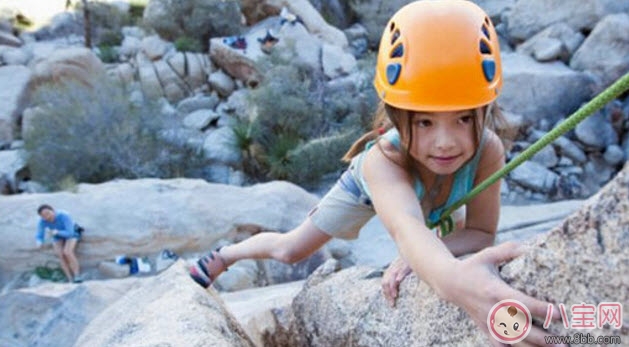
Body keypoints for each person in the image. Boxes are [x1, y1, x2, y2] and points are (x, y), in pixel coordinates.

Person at [190, 1, 561, 345]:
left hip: (435, 189)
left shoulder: (487, 149)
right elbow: (407, 227)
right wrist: (451, 278)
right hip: (365, 189)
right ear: (397, 116)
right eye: (425, 121)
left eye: (464, 118)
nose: (446, 142)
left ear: (484, 109)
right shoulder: (382, 159)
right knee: (291, 249)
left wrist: (425, 257)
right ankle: (226, 255)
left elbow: (480, 233)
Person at [35, 204, 83, 283]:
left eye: (48, 213)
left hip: (71, 232)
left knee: (67, 252)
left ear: (53, 211)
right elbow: (40, 233)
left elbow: (70, 233)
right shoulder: (42, 221)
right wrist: (39, 241)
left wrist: (57, 232)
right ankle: (70, 278)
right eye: (43, 215)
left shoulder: (64, 215)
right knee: (59, 254)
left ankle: (77, 275)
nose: (46, 217)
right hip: (56, 234)